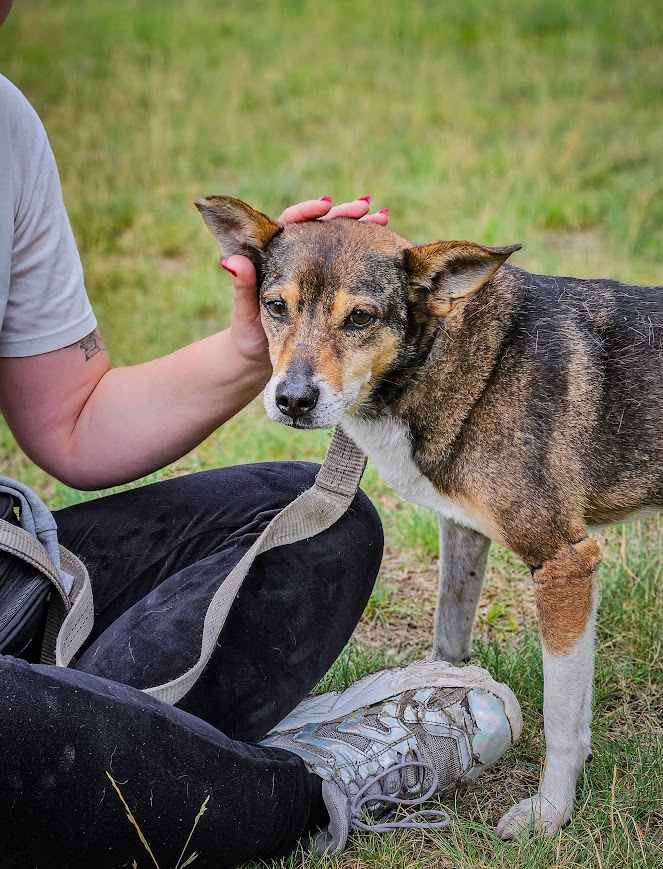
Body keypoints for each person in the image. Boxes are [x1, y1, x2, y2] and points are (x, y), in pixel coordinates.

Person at [0, 3, 518, 866]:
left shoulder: (7, 129)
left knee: (315, 520)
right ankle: (293, 786)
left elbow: (74, 424)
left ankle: (94, 750)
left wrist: (261, 340)